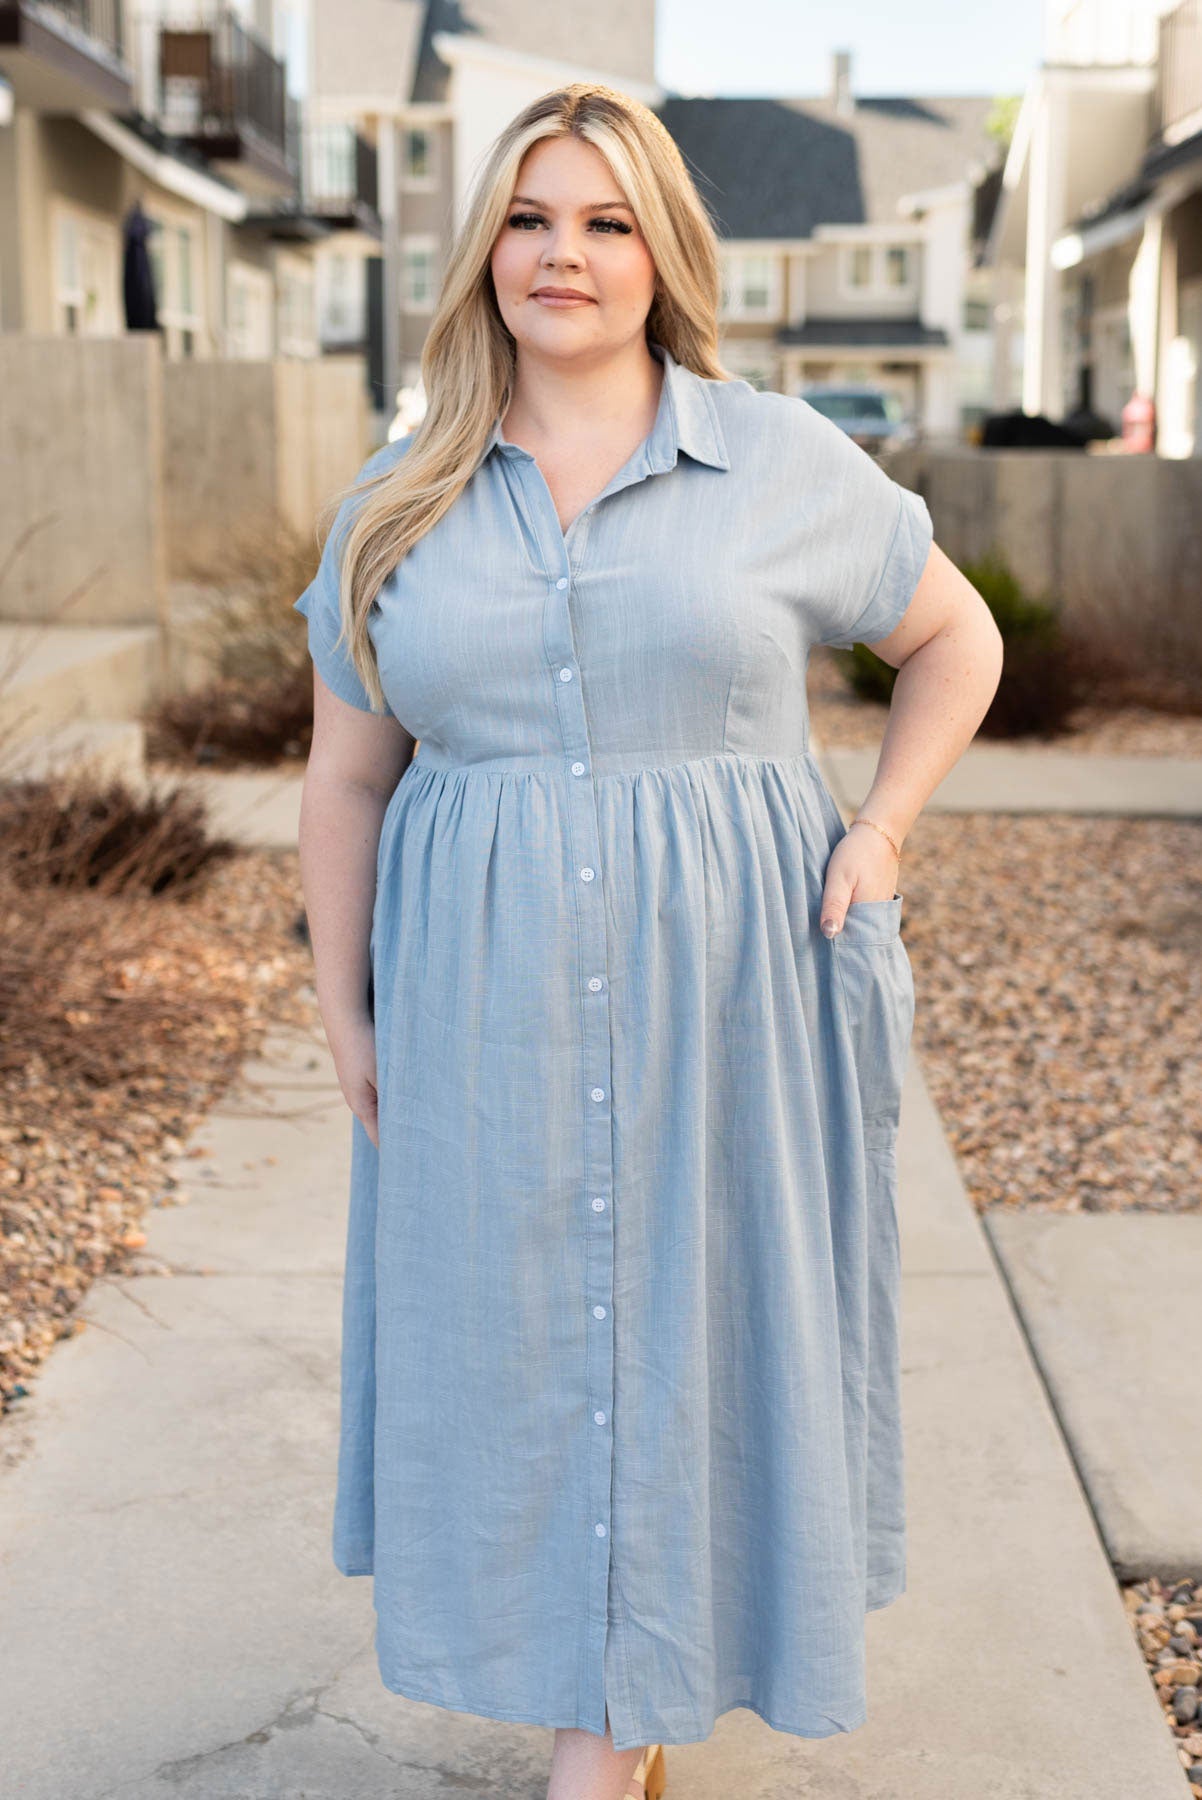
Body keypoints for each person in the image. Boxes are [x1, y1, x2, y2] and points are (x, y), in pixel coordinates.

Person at [293, 82, 1003, 1800]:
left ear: (661, 253)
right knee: (530, 1349)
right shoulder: (401, 499)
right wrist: (346, 1010)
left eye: (606, 223)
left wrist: (882, 828)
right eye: (533, 218)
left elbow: (952, 639)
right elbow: (344, 776)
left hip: (738, 984)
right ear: (485, 253)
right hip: (486, 999)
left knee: (701, 1327)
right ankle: (615, 1712)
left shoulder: (772, 458)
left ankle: (601, 1751)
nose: (565, 255)